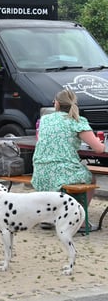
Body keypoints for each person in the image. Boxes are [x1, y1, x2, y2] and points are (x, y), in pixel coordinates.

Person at [32, 88, 104, 232]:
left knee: (66, 175)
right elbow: (99, 149)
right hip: (62, 171)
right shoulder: (77, 121)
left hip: (39, 172)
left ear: (56, 104)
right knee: (90, 178)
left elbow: (41, 140)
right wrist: (96, 140)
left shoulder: (45, 119)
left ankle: (49, 219)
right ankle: (80, 221)